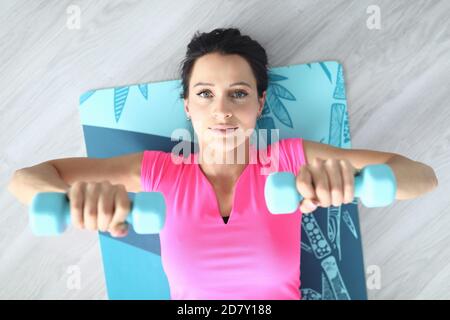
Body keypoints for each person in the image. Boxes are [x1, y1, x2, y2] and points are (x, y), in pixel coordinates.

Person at [7, 27, 438, 300]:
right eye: (205, 94)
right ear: (187, 107)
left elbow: (423, 178)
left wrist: (351, 180)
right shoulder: (159, 172)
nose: (222, 112)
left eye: (238, 93)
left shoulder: (287, 160)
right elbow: (25, 179)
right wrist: (74, 198)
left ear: (260, 102)